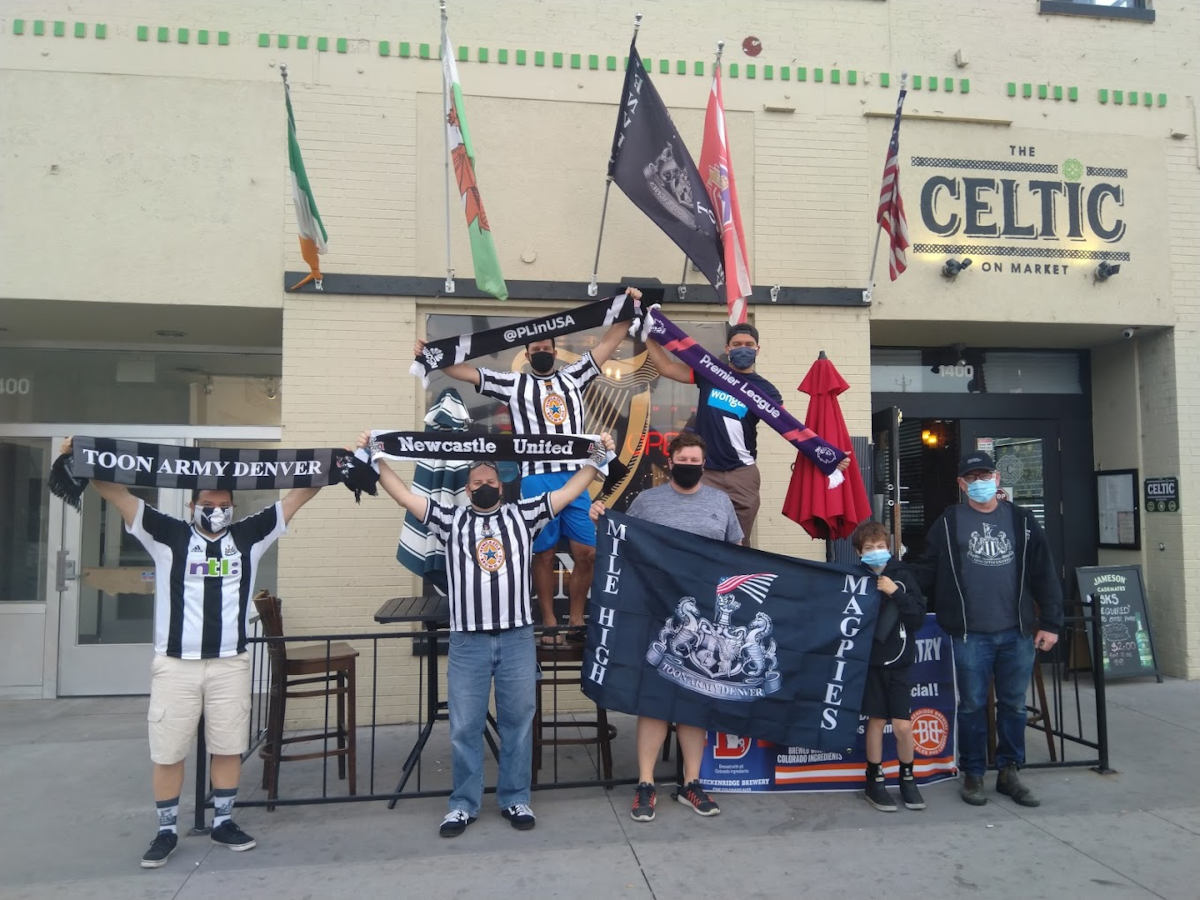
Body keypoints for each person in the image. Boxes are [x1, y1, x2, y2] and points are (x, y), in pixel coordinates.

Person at [59, 439, 323, 868]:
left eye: (222, 503)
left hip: (229, 662)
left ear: (233, 507)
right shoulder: (167, 533)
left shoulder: (250, 534)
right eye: (206, 502)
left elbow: (298, 495)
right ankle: (166, 830)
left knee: (227, 745)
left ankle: (223, 821)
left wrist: (337, 463)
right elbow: (118, 494)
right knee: (168, 749)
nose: (215, 509)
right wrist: (81, 456)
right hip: (176, 664)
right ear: (191, 505)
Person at [364, 431, 614, 837]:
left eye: (491, 483)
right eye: (477, 484)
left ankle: (516, 799)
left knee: (518, 722)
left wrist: (597, 456)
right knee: (464, 726)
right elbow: (405, 498)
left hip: (516, 638)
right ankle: (463, 804)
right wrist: (376, 459)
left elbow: (569, 491)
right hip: (468, 642)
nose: (484, 488)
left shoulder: (524, 514)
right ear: (467, 488)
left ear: (503, 487)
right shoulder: (450, 518)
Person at [416, 287, 641, 642]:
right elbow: (469, 374)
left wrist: (628, 306)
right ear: (526, 353)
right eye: (535, 350)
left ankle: (578, 620)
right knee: (543, 554)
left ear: (554, 351)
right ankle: (550, 622)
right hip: (536, 478)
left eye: (546, 349)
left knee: (588, 553)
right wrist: (434, 356)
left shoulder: (574, 376)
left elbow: (610, 341)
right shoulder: (514, 383)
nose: (541, 353)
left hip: (576, 476)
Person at [590, 432, 742, 822]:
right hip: (656, 617)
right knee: (653, 701)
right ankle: (645, 784)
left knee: (694, 701)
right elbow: (624, 545)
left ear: (703, 465)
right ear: (670, 462)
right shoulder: (647, 501)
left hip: (704, 621)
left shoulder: (720, 502)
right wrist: (601, 520)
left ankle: (691, 783)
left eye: (697, 461)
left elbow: (734, 554)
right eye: (684, 460)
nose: (690, 466)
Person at [909, 450, 1063, 807]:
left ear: (997, 479)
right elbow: (926, 568)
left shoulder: (1022, 520)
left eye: (985, 476)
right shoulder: (949, 521)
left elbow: (1044, 572)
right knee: (972, 706)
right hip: (970, 633)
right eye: (972, 478)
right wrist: (892, 581)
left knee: (1013, 705)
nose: (980, 483)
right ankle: (974, 774)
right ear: (962, 485)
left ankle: (1010, 772)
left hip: (1017, 632)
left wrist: (1052, 623)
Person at [643, 322, 782, 544]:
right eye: (737, 344)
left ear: (758, 349)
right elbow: (667, 368)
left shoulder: (767, 391)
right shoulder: (712, 373)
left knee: (738, 545)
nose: (742, 348)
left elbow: (789, 429)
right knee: (699, 538)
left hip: (742, 475)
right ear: (727, 349)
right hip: (704, 473)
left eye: (748, 344)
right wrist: (647, 334)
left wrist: (823, 453)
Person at [851, 520, 927, 812]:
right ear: (859, 551)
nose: (875, 552)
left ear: (889, 547)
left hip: (900, 662)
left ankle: (908, 777)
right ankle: (875, 778)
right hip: (869, 664)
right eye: (869, 548)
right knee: (876, 721)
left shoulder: (903, 576)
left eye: (880, 547)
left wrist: (895, 592)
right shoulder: (855, 578)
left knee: (903, 726)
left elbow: (917, 618)